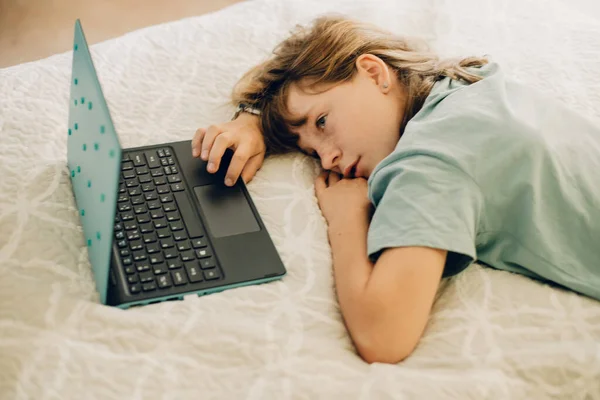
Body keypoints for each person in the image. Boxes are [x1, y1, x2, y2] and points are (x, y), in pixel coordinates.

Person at [190, 16, 600, 364]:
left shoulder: (432, 162)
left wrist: (346, 220)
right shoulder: (469, 83)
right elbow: (308, 61)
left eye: (322, 123)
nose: (327, 159)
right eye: (311, 152)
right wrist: (253, 118)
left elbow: (384, 336)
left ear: (373, 71)